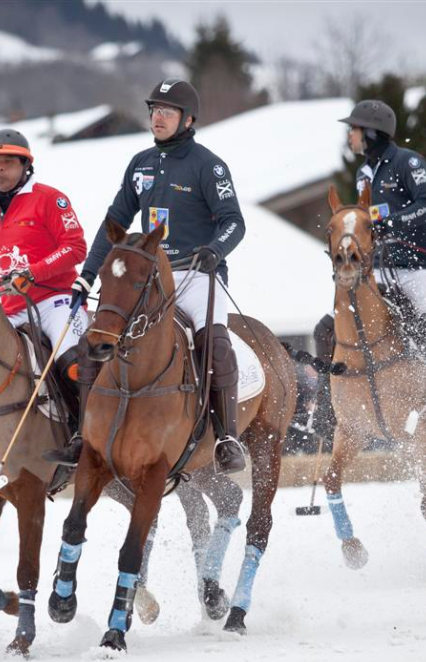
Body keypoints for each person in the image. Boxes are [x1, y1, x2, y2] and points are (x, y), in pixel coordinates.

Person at [46, 78, 248, 473]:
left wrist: (215, 250)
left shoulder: (209, 165)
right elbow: (115, 221)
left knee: (214, 341)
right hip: (147, 277)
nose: (158, 117)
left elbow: (234, 222)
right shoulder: (140, 163)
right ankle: (84, 434)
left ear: (187, 119)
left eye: (167, 111)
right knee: (98, 336)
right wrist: (88, 274)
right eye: (155, 110)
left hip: (196, 274)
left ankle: (226, 436)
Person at [315, 99, 426, 439]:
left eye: (354, 130)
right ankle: (327, 403)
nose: (350, 136)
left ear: (371, 132)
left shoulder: (408, 162)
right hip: (376, 269)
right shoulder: (363, 174)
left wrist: (391, 224)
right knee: (329, 325)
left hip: (416, 268)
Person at [0, 128, 90, 449]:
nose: (0, 169)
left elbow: (75, 248)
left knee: (73, 365)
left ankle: (87, 436)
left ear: (26, 165)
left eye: (8, 162)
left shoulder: (50, 198)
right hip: (10, 311)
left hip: (55, 302)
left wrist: (34, 273)